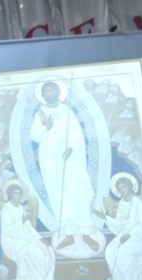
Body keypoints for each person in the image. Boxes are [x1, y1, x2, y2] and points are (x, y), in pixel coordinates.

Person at [29, 80, 101, 254]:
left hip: (70, 158)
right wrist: (46, 128)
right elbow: (35, 135)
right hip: (50, 159)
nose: (49, 93)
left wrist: (70, 148)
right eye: (46, 91)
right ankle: (68, 234)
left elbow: (76, 133)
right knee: (59, 194)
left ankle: (86, 233)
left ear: (58, 92)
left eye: (52, 90)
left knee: (77, 192)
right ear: (43, 94)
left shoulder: (66, 110)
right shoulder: (41, 113)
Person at [93, 173, 142, 280]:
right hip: (124, 234)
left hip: (140, 237)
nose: (122, 190)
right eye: (120, 188)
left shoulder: (138, 203)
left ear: (130, 186)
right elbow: (120, 224)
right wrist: (105, 217)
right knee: (110, 251)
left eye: (124, 187)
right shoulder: (122, 203)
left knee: (122, 253)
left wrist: (129, 235)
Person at [0, 180, 61, 280]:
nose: (18, 196)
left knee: (47, 250)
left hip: (25, 238)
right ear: (10, 194)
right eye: (15, 193)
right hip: (13, 242)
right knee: (36, 253)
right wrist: (21, 221)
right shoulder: (6, 209)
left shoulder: (20, 208)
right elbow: (7, 230)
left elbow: (28, 228)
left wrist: (40, 238)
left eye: (19, 193)